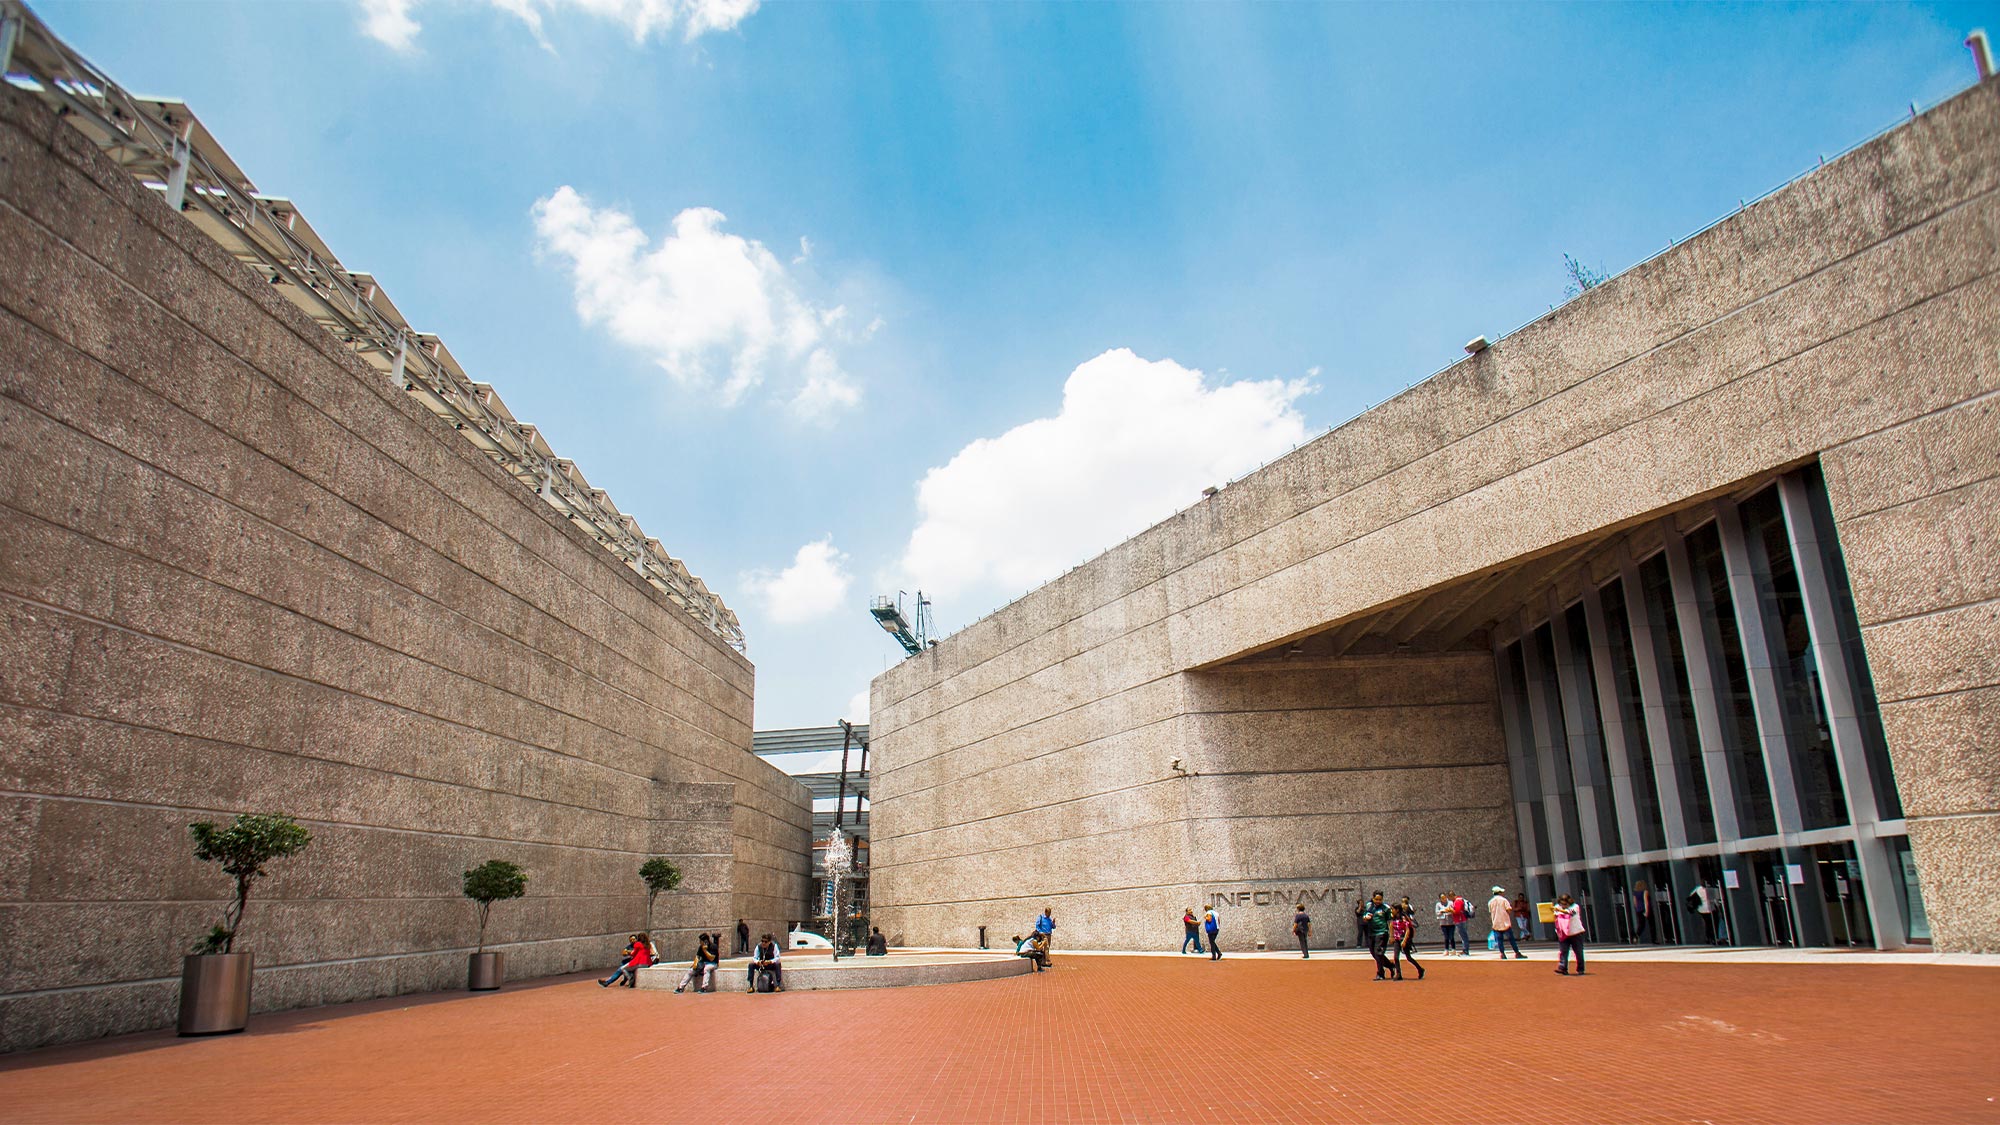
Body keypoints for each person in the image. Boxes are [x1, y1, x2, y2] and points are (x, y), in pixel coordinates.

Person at [1362, 891, 1394, 980]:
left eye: (1380, 899)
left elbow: (1391, 921)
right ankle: (1391, 966)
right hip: (1371, 933)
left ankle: (1380, 973)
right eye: (1376, 899)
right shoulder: (1369, 906)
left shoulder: (1386, 908)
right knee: (1374, 954)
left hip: (1382, 932)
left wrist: (1392, 935)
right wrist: (1366, 918)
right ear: (1373, 898)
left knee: (1378, 952)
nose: (1378, 901)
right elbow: (1364, 916)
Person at [1553, 893, 1587, 975]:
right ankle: (1562, 968)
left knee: (1578, 952)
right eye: (1561, 904)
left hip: (1576, 933)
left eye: (1565, 904)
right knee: (1563, 951)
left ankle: (1580, 969)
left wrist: (1559, 910)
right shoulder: (1557, 907)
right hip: (1563, 934)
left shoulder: (1575, 907)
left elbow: (1570, 913)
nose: (1563, 906)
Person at [1389, 903, 1425, 981]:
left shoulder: (1403, 918)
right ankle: (1398, 974)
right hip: (1397, 939)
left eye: (1393, 909)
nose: (1391, 911)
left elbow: (1407, 929)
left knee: (1408, 957)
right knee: (1396, 957)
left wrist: (1404, 940)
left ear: (1397, 910)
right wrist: (1391, 936)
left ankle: (1420, 969)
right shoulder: (1393, 917)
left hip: (1404, 939)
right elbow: (1391, 926)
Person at [1488, 887, 1524, 958]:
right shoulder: (1504, 900)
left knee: (1499, 940)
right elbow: (1509, 910)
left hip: (1496, 923)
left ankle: (1502, 954)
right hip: (1505, 923)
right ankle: (1517, 952)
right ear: (1499, 893)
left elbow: (1491, 912)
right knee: (1511, 939)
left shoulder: (1490, 902)